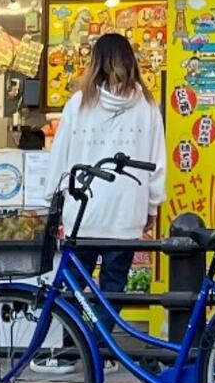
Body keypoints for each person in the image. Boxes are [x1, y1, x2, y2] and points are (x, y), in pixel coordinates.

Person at [40, 29, 162, 316]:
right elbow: (156, 161)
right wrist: (152, 205)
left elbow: (60, 156)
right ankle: (102, 352)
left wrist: (52, 199)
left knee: (72, 284)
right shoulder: (147, 106)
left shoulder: (79, 104)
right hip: (127, 210)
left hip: (84, 209)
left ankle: (74, 348)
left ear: (95, 63)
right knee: (113, 285)